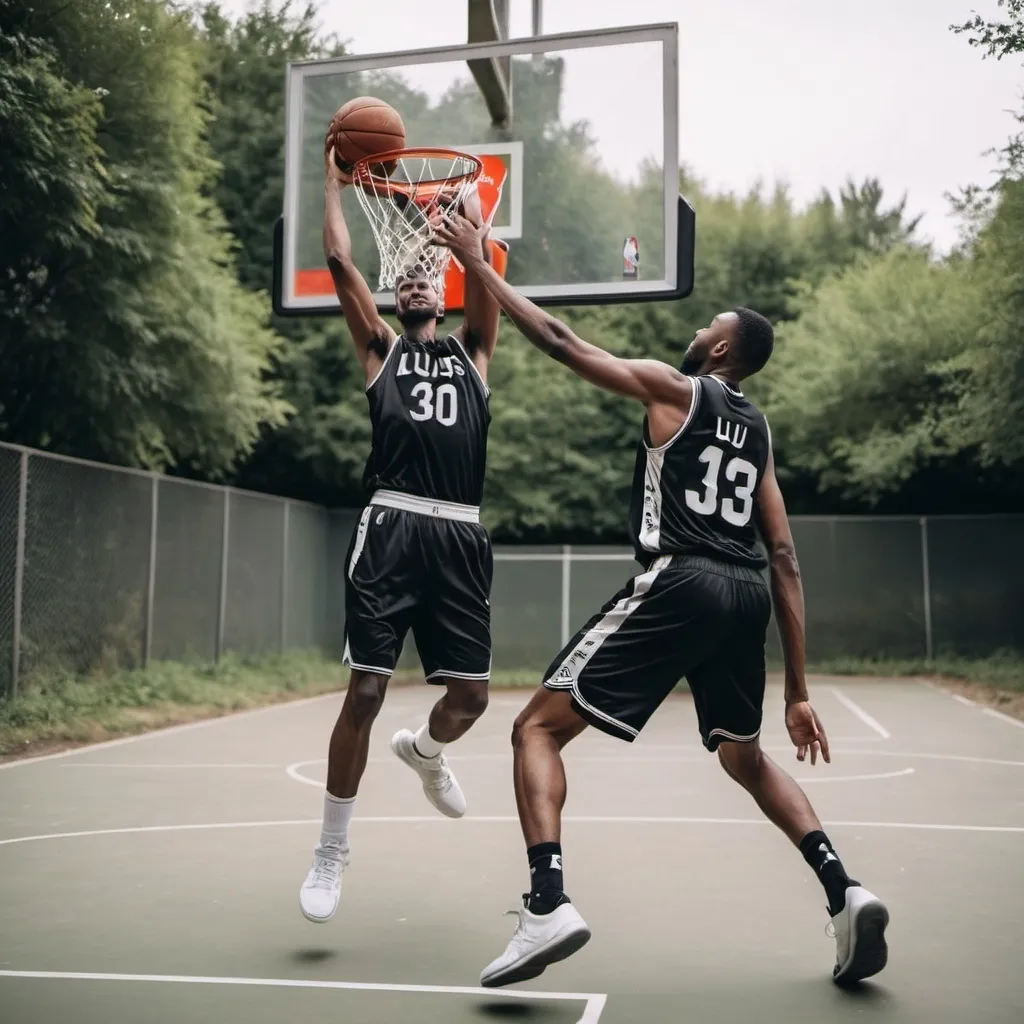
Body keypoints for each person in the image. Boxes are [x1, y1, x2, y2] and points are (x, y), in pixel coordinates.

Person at [433, 212, 890, 989]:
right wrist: (799, 692)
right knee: (745, 756)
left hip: (682, 579)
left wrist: (479, 265)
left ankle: (548, 903)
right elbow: (783, 555)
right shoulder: (759, 432)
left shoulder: (677, 390)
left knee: (535, 728)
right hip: (746, 591)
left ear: (718, 350)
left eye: (706, 326)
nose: (696, 331)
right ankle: (845, 890)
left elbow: (563, 344)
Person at [298, 146, 501, 924]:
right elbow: (339, 258)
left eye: (430, 272)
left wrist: (472, 231)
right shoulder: (380, 352)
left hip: (457, 536)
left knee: (474, 697)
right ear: (396, 290)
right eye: (405, 273)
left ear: (445, 293)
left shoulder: (475, 354)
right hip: (389, 527)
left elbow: (484, 279)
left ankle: (427, 751)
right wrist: (333, 182)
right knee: (368, 689)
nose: (416, 276)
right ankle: (331, 848)